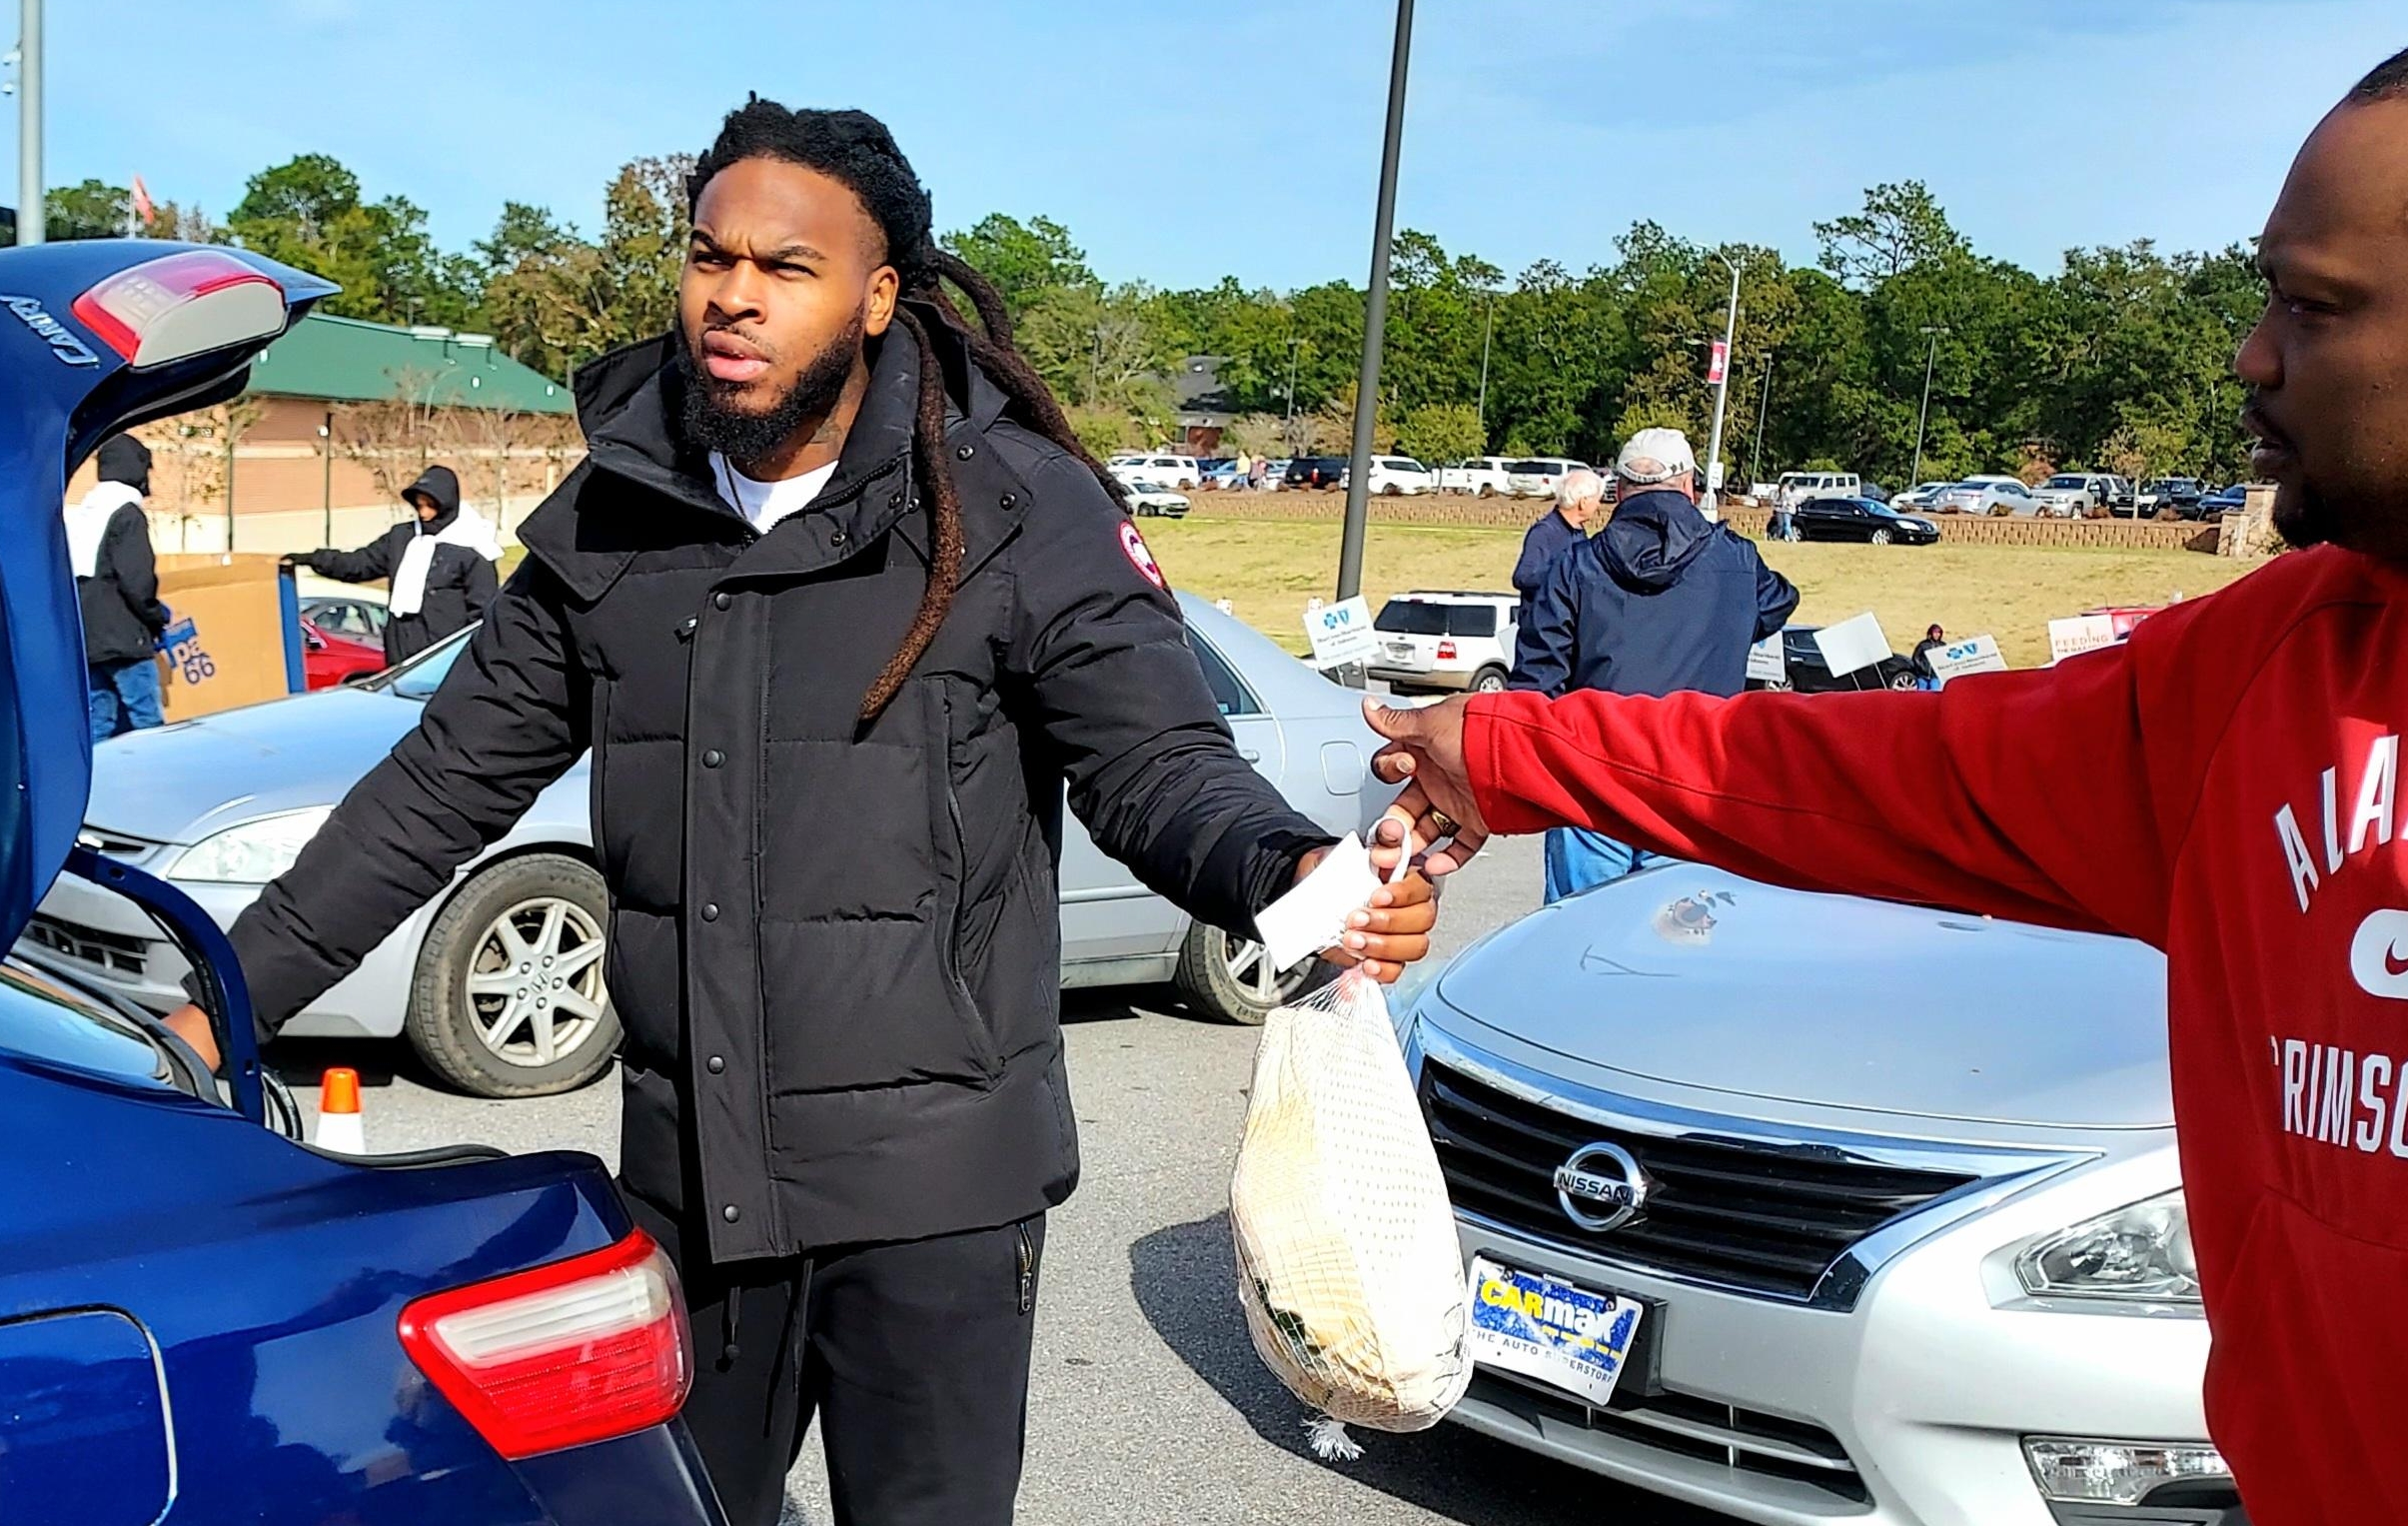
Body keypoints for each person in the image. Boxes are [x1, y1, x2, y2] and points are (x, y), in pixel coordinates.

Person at [1364, 9, 2408, 1522]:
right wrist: (1516, 743)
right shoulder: (2273, 657)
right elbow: (1891, 772)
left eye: (2314, 307)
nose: (2250, 356)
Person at [162, 100, 1438, 1526]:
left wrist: (1291, 867)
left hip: (937, 1202)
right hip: (690, 1189)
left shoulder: (1013, 508)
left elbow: (1151, 761)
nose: (734, 296)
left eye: (786, 267)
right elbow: (436, 782)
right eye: (711, 257)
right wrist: (234, 993)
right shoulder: (613, 514)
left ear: (877, 294)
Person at [1517, 427, 1796, 901]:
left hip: (1593, 779)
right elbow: (1779, 600)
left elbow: (1536, 684)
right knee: (1680, 950)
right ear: (1689, 487)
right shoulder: (1737, 561)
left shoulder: (1574, 565)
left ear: (1619, 490)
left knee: (1579, 944)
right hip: (1697, 783)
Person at [290, 465, 499, 664]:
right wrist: (312, 559)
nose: (423, 513)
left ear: (446, 504)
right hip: (399, 654)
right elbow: (358, 564)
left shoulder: (473, 547)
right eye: (419, 505)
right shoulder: (401, 537)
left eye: (430, 505)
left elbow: (482, 614)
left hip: (443, 661)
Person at [64, 433, 168, 742]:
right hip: (125, 638)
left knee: (100, 724)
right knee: (147, 721)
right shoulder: (127, 512)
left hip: (90, 638)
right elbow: (136, 579)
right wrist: (156, 615)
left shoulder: (85, 511)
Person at [1509, 468, 1596, 633]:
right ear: (1583, 502)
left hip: (1569, 628)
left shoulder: (1579, 532)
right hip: (1543, 631)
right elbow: (1523, 577)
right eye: (1596, 500)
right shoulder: (1544, 532)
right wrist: (1565, 574)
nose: (1599, 505)